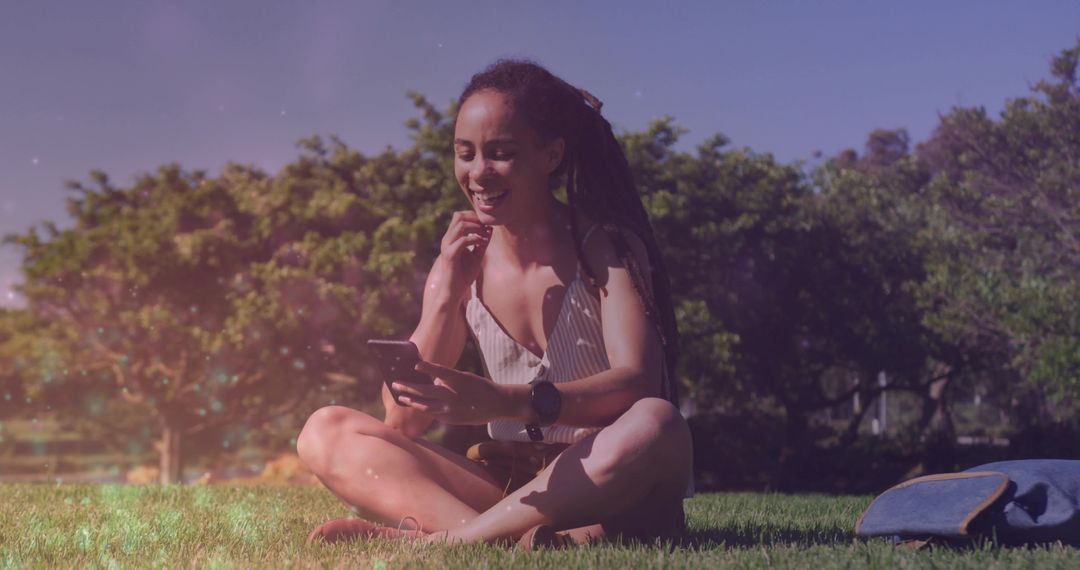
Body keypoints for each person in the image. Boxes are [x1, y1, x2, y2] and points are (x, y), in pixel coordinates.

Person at [297, 58, 692, 547]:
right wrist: (445, 294)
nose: (478, 173)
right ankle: (510, 539)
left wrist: (505, 401)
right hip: (514, 490)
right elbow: (404, 421)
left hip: (608, 477)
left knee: (658, 424)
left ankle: (448, 541)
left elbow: (638, 385)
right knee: (326, 429)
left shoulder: (606, 246)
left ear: (551, 155)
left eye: (501, 153)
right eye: (465, 153)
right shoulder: (463, 261)